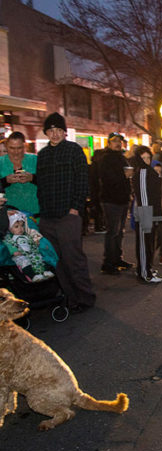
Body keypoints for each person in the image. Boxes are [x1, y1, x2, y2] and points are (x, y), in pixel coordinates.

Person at [36, 112, 96, 314]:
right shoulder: (42, 155)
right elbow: (41, 185)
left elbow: (82, 181)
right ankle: (70, 299)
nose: (54, 134)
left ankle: (85, 298)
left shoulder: (74, 151)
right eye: (50, 130)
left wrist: (75, 209)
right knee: (57, 262)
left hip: (67, 216)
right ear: (46, 133)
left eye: (58, 130)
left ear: (64, 132)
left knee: (74, 259)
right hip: (48, 216)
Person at [98, 132, 134, 274]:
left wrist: (129, 189)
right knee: (112, 231)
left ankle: (117, 258)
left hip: (123, 199)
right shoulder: (105, 159)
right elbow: (107, 179)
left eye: (120, 141)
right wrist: (123, 176)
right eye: (114, 141)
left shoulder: (122, 158)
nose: (118, 143)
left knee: (119, 232)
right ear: (109, 143)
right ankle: (108, 263)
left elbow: (126, 178)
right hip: (111, 200)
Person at [132, 145, 162, 283]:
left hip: (151, 211)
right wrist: (147, 216)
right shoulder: (143, 171)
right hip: (145, 212)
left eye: (148, 157)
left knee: (150, 242)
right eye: (143, 158)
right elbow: (143, 196)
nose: (146, 160)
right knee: (145, 244)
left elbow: (155, 194)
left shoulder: (149, 170)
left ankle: (147, 269)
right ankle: (145, 274)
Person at [3, 210, 54, 282]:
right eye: (16, 227)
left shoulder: (26, 236)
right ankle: (33, 275)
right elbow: (9, 246)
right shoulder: (10, 239)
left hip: (31, 253)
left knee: (40, 258)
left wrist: (34, 243)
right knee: (25, 262)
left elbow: (31, 242)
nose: (20, 228)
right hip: (20, 255)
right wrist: (14, 251)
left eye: (22, 226)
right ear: (9, 229)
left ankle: (45, 271)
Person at [0, 132, 39, 216]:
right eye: (12, 148)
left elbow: (48, 182)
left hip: (35, 213)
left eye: (19, 148)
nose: (16, 152)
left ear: (25, 146)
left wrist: (32, 178)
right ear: (6, 146)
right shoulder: (0, 162)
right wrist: (5, 181)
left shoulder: (35, 160)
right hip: (9, 215)